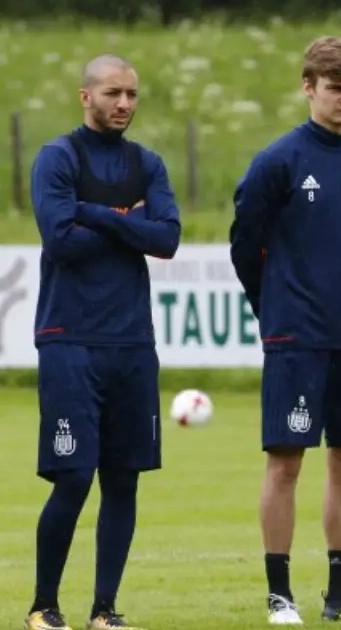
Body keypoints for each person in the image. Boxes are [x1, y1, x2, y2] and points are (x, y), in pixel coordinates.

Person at [229, 36, 341, 623]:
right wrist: (277, 307)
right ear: (308, 87)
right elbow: (244, 246)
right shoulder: (277, 161)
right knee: (287, 462)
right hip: (295, 336)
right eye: (335, 89)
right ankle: (280, 596)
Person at [25, 53, 179, 630]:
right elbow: (61, 240)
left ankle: (104, 611)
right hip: (69, 338)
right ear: (85, 96)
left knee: (123, 479)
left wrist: (97, 215)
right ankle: (43, 607)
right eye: (113, 93)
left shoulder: (147, 163)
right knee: (73, 477)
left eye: (132, 94)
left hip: (132, 342)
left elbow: (167, 239)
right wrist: (127, 220)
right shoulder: (58, 158)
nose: (124, 103)